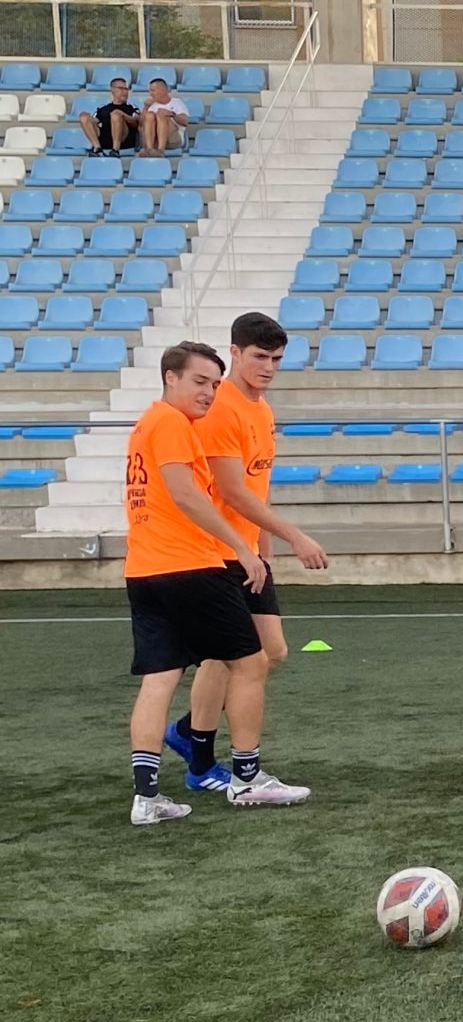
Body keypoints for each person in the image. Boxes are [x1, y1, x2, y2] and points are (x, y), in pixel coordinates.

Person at [162, 311, 329, 799]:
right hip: (216, 552)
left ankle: (190, 735)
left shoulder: (262, 408)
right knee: (235, 658)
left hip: (247, 553)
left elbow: (257, 488)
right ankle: (212, 761)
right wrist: (294, 535)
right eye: (259, 357)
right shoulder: (221, 407)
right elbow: (232, 491)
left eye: (277, 359)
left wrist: (266, 547)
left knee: (267, 653)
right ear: (234, 352)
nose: (269, 367)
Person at [121, 343, 281, 824]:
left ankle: (147, 797)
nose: (209, 392)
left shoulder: (149, 424)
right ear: (171, 378)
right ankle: (248, 778)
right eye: (199, 382)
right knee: (252, 662)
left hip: (143, 570)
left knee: (160, 678)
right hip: (189, 567)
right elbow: (187, 494)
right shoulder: (170, 423)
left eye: (214, 383)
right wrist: (242, 544)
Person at [81, 77, 140, 157]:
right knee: (84, 117)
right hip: (105, 140)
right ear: (112, 90)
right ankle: (97, 149)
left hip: (124, 140)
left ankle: (115, 150)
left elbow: (137, 123)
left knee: (116, 114)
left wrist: (122, 115)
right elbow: (93, 121)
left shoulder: (132, 107)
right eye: (121, 88)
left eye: (126, 89)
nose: (125, 92)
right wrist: (86, 117)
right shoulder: (103, 108)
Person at [138, 77, 192, 158]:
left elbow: (185, 122)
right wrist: (145, 108)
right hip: (153, 141)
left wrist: (171, 114)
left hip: (173, 140)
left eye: (153, 90)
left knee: (161, 114)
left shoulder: (177, 102)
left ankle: (161, 150)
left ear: (162, 90)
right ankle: (149, 149)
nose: (150, 94)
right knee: (149, 115)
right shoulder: (151, 105)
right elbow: (141, 125)